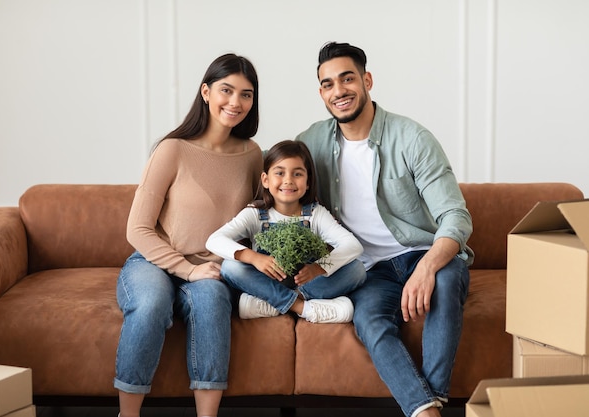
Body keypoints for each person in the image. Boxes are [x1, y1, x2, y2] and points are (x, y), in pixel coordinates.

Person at [296, 42, 473, 417]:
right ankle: (428, 410)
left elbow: (456, 216)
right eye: (328, 84)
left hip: (420, 254)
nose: (339, 91)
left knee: (445, 277)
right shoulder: (310, 143)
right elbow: (279, 185)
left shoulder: (411, 137)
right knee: (369, 321)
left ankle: (432, 401)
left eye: (347, 79)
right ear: (321, 93)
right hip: (367, 269)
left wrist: (426, 268)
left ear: (367, 80)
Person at [114, 53, 263, 417]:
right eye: (226, 90)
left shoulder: (253, 155)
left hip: (212, 268)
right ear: (206, 92)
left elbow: (256, 223)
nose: (236, 102)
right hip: (154, 261)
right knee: (150, 305)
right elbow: (138, 228)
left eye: (246, 94)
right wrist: (187, 269)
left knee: (213, 302)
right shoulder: (173, 150)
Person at [206, 140, 367, 323]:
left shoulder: (315, 214)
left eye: (297, 174)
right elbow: (214, 240)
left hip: (305, 284)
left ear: (308, 182)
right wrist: (254, 258)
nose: (288, 180)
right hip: (267, 282)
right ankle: (301, 307)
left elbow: (353, 245)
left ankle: (273, 303)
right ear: (266, 180)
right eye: (280, 173)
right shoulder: (255, 214)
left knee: (357, 270)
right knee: (230, 267)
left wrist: (318, 268)